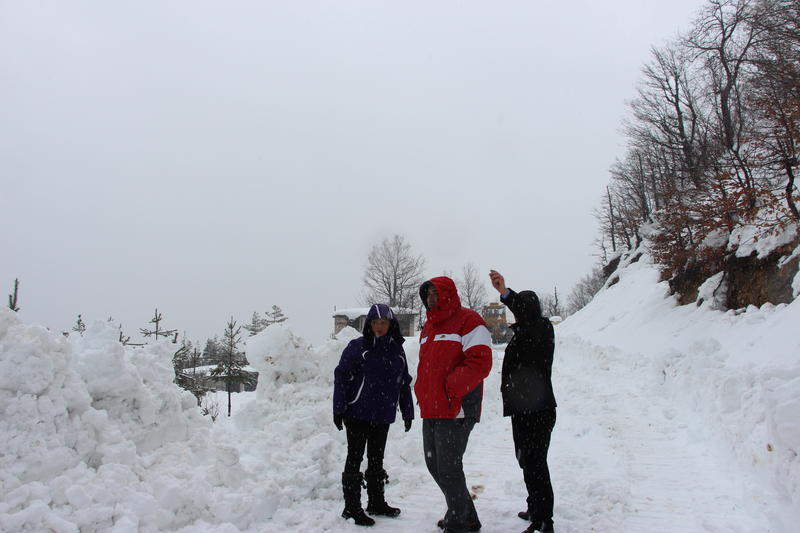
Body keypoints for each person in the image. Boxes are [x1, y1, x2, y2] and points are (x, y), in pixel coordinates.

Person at [415, 276, 493, 533]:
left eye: (436, 294)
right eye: (428, 295)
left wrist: (451, 389)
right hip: (432, 407)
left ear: (448, 294)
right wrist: (421, 389)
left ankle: (459, 521)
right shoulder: (428, 328)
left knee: (448, 467)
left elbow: (480, 362)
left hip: (457, 407)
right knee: (435, 464)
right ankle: (466, 514)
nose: (431, 299)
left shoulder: (469, 321)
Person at [333, 303, 414, 527]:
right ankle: (351, 507)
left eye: (384, 323)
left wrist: (408, 411)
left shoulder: (397, 350)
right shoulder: (358, 347)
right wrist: (338, 408)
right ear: (369, 324)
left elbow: (404, 382)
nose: (379, 327)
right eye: (375, 322)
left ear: (390, 325)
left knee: (376, 459)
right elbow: (341, 376)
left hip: (383, 415)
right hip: (357, 413)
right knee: (355, 458)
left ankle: (376, 502)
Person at [488, 270, 557, 533]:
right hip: (522, 410)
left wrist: (505, 293)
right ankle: (534, 507)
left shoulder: (541, 328)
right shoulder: (523, 331)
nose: (517, 313)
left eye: (521, 309)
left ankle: (544, 519)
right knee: (526, 461)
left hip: (538, 410)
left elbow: (526, 312)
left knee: (536, 463)